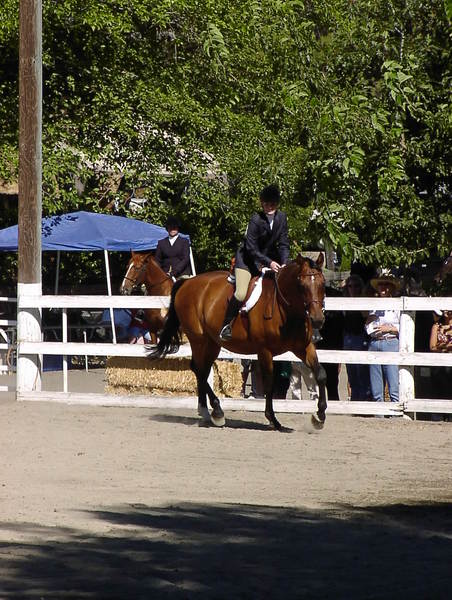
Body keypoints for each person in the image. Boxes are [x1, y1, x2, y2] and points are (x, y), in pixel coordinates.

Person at [219, 184, 289, 340]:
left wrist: (284, 262)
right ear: (262, 204)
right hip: (247, 260)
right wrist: (269, 263)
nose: (269, 207)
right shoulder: (256, 219)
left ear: (277, 204)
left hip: (269, 259)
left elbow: (284, 244)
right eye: (266, 204)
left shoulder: (282, 217)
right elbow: (251, 248)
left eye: (272, 204)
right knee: (241, 293)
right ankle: (226, 325)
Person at [365, 270, 401, 403]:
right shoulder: (374, 306)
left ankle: (395, 408)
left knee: (393, 381)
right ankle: (378, 410)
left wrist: (390, 329)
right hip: (375, 342)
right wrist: (369, 325)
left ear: (392, 288)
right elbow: (368, 327)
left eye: (386, 285)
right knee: (376, 383)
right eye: (381, 285)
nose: (383, 288)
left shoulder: (397, 305)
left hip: (390, 342)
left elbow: (404, 326)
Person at [342, 274, 371, 400]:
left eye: (356, 286)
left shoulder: (364, 301)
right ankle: (355, 398)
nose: (353, 289)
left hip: (361, 337)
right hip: (348, 338)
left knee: (361, 371)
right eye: (350, 286)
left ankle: (364, 399)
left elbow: (366, 316)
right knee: (351, 371)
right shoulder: (343, 302)